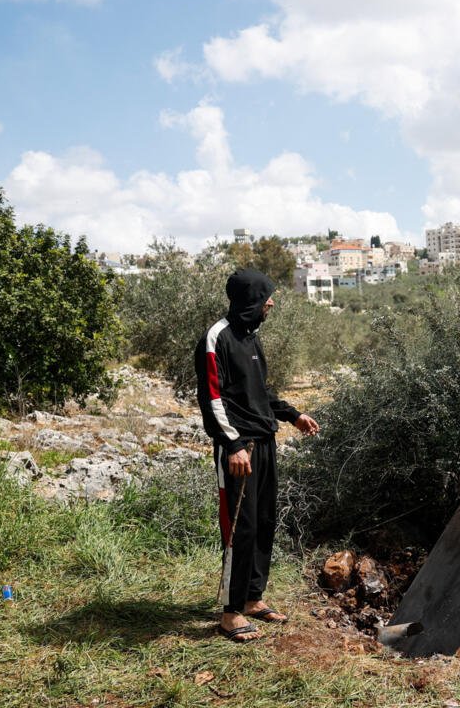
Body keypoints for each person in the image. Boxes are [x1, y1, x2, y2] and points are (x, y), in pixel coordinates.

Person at [195, 268, 320, 642]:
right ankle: (230, 612)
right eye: (267, 295)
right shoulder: (216, 339)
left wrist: (292, 414)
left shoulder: (251, 338)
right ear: (251, 298)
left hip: (265, 443)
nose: (271, 302)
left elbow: (258, 392)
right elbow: (212, 398)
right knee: (240, 527)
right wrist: (232, 444)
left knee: (264, 521)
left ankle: (253, 599)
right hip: (239, 450)